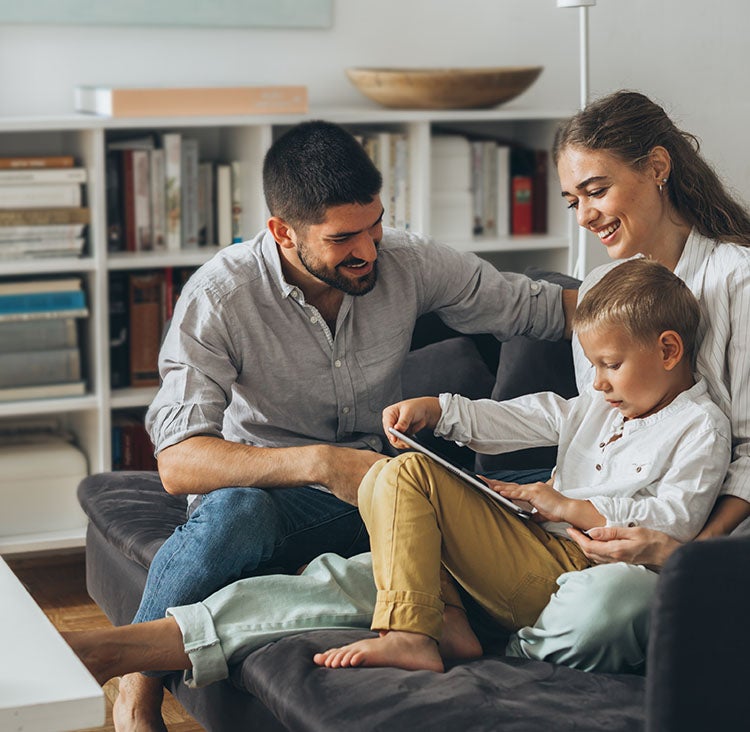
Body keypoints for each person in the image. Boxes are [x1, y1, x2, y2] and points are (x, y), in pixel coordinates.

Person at [62, 258, 730, 681]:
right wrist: (440, 410)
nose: (601, 383)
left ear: (669, 350)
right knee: (352, 560)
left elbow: (671, 525)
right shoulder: (599, 405)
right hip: (522, 553)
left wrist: (569, 507)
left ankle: (415, 632)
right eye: (597, 368)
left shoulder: (700, 426)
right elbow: (532, 416)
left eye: (610, 366)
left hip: (580, 569)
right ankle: (135, 649)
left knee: (400, 485)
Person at [115, 119, 577, 729]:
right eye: (342, 239)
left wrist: (664, 306)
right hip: (273, 492)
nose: (368, 250)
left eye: (375, 224)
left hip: (385, 486)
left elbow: (536, 305)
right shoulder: (222, 297)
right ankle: (135, 689)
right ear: (283, 232)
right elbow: (178, 464)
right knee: (237, 512)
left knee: (525, 487)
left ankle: (435, 612)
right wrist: (321, 462)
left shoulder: (407, 260)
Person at [504, 89, 750, 673]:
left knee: (603, 607)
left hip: (710, 541)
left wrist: (683, 553)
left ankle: (514, 642)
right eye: (573, 201)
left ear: (657, 168)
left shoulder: (738, 279)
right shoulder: (596, 289)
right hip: (606, 527)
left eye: (596, 190)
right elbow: (598, 419)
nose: (585, 215)